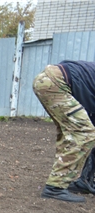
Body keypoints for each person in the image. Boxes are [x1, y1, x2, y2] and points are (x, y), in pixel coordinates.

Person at [33, 60, 95, 202]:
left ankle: (78, 182)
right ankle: (55, 188)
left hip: (47, 80)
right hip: (56, 83)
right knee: (84, 133)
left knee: (73, 134)